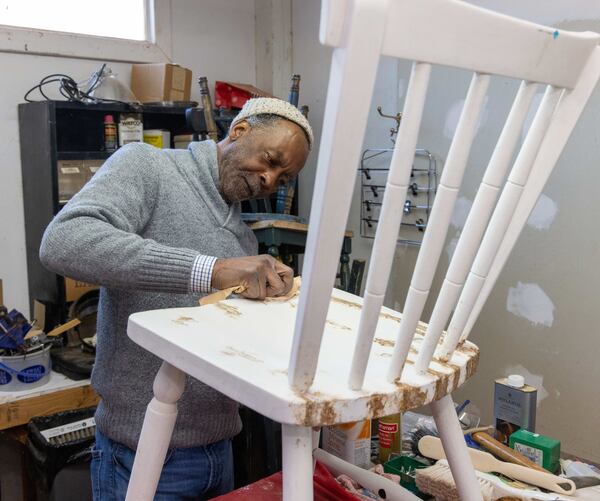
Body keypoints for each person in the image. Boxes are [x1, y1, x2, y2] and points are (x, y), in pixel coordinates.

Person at [39, 97, 313, 500]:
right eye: (270, 161)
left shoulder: (242, 237)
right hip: (143, 451)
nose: (271, 181)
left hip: (219, 450)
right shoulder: (148, 167)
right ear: (239, 131)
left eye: (283, 177)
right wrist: (211, 270)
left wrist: (270, 303)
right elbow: (63, 242)